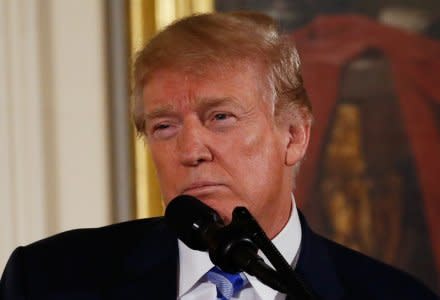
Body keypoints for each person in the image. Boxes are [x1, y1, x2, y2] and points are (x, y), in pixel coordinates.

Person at [0, 12, 437, 300]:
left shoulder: (394, 296)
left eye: (221, 117)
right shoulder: (47, 281)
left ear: (294, 135)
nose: (190, 151)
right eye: (164, 126)